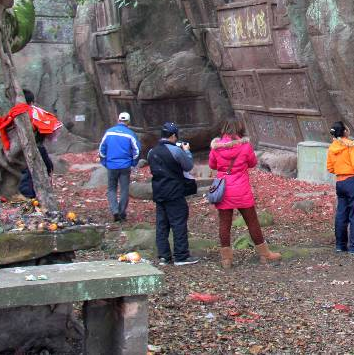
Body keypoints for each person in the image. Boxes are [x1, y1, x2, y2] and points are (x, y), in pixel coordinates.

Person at [209, 119, 281, 269]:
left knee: (224, 224)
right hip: (241, 189)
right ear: (240, 128)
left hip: (224, 190)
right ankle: (264, 254)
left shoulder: (216, 147)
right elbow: (253, 163)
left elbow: (212, 165)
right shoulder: (245, 146)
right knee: (252, 222)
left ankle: (226, 260)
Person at [147, 122, 199, 265]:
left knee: (162, 225)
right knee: (178, 223)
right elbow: (188, 165)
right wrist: (186, 151)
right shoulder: (175, 151)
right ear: (174, 135)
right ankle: (181, 256)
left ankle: (164, 256)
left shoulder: (151, 152)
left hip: (159, 192)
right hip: (174, 192)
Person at [325, 121, 354, 254]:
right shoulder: (351, 146)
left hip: (340, 182)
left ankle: (340, 245)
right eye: (347, 128)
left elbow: (330, 167)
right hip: (353, 181)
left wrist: (341, 169)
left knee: (341, 214)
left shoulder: (333, 147)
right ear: (345, 132)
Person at [98, 111, 140, 222]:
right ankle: (121, 212)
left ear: (118, 120)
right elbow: (137, 150)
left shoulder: (109, 133)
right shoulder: (130, 134)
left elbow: (102, 149)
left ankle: (115, 210)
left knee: (111, 188)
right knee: (124, 189)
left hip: (111, 165)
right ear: (128, 122)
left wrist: (104, 161)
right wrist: (133, 162)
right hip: (125, 166)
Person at [18, 129, 54, 199]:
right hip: (31, 184)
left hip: (24, 181)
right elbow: (48, 164)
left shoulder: (24, 146)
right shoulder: (40, 148)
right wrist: (50, 168)